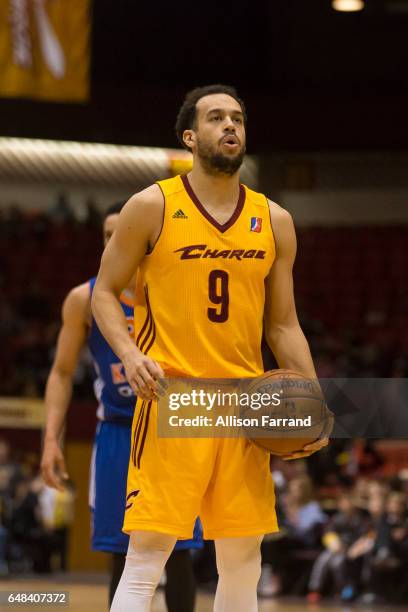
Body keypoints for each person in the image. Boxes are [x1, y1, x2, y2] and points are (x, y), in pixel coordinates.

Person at [91, 84, 329, 612]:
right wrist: (131, 354)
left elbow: (284, 324)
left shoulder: (275, 220)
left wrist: (313, 400)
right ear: (190, 136)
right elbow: (104, 294)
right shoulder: (151, 205)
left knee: (243, 559)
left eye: (238, 119)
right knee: (148, 554)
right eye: (217, 117)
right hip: (174, 398)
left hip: (246, 405)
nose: (230, 126)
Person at [40, 203, 201, 609]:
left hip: (172, 431)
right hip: (117, 431)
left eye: (121, 233)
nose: (114, 242)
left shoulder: (175, 291)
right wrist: (50, 441)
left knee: (179, 554)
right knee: (121, 552)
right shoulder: (84, 298)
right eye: (107, 235)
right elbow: (60, 374)